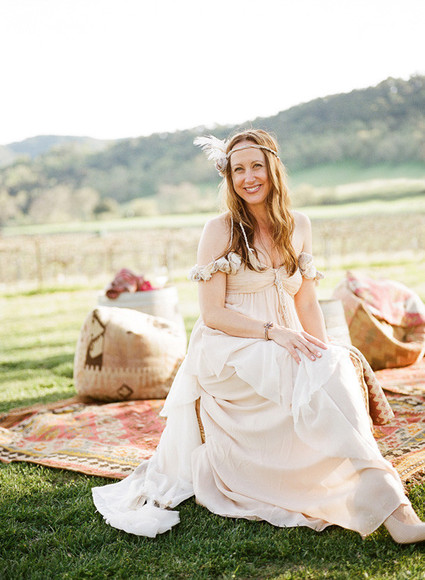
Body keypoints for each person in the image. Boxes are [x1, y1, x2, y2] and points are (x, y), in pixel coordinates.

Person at [92, 129, 425, 543]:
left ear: (273, 169)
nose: (248, 177)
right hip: (229, 348)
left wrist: (324, 353)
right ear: (228, 177)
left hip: (283, 338)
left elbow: (307, 303)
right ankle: (397, 512)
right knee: (296, 365)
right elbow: (213, 314)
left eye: (256, 166)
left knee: (334, 366)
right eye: (238, 170)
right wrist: (274, 333)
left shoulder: (299, 225)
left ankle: (379, 495)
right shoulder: (220, 230)